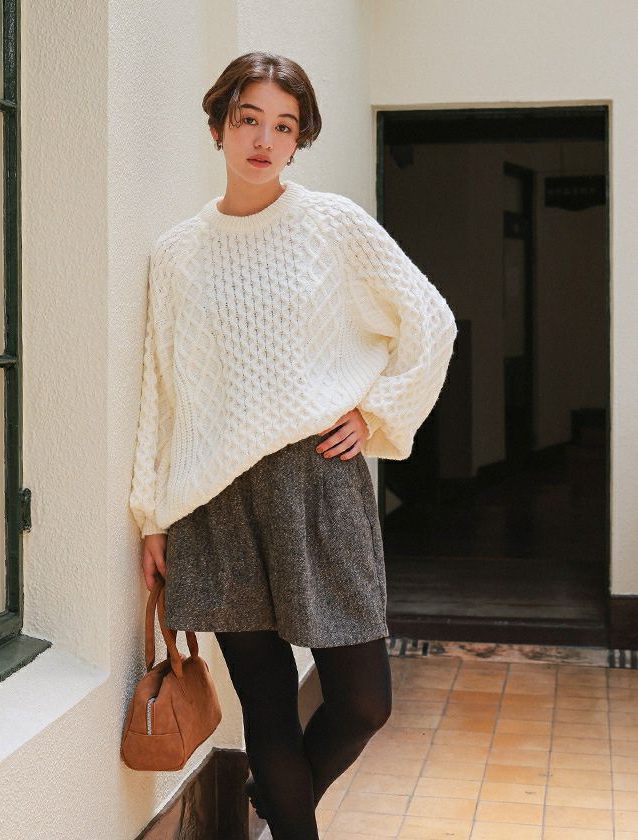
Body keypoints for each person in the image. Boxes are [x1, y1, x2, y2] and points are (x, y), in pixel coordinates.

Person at [129, 51, 458, 840]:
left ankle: (277, 800)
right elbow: (161, 391)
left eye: (284, 126)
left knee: (363, 701)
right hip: (216, 500)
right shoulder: (177, 254)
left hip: (318, 484)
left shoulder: (332, 226)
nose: (264, 141)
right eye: (249, 120)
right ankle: (286, 811)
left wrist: (376, 412)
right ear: (218, 126)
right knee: (269, 711)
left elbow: (429, 320)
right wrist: (152, 515)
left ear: (299, 138)